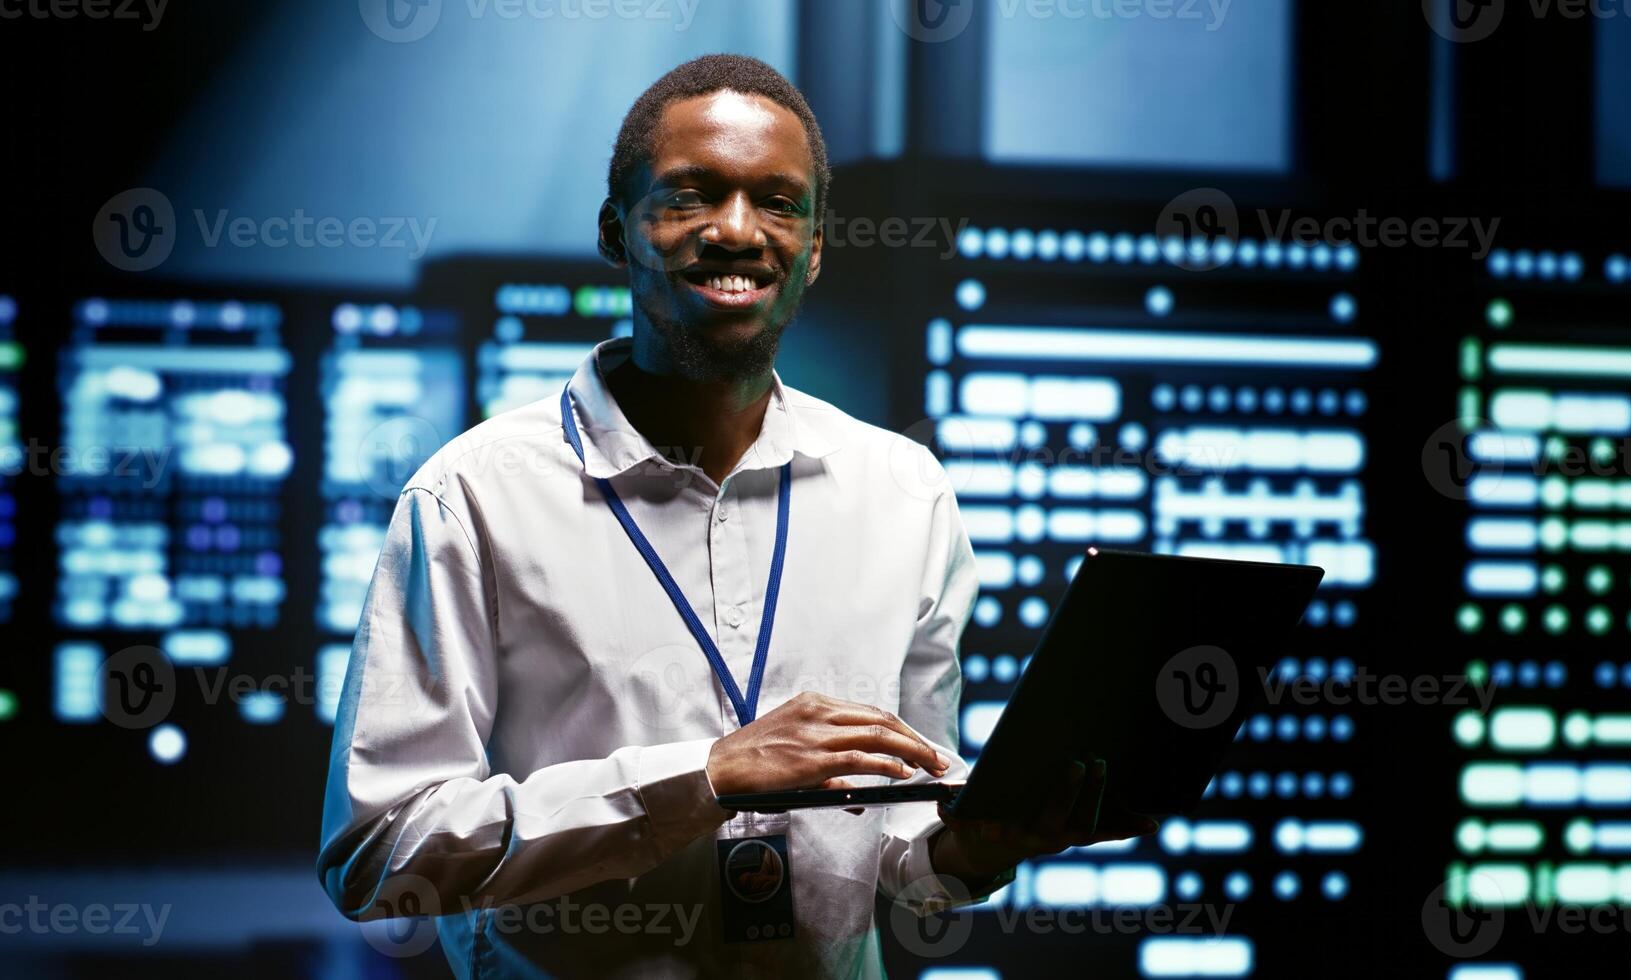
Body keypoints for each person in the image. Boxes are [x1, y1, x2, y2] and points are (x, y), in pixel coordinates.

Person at [317, 53, 1152, 978]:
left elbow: (906, 846)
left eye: (780, 202)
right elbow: (378, 856)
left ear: (817, 246)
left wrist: (985, 843)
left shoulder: (904, 492)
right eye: (691, 195)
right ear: (616, 229)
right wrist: (704, 777)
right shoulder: (472, 496)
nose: (737, 230)